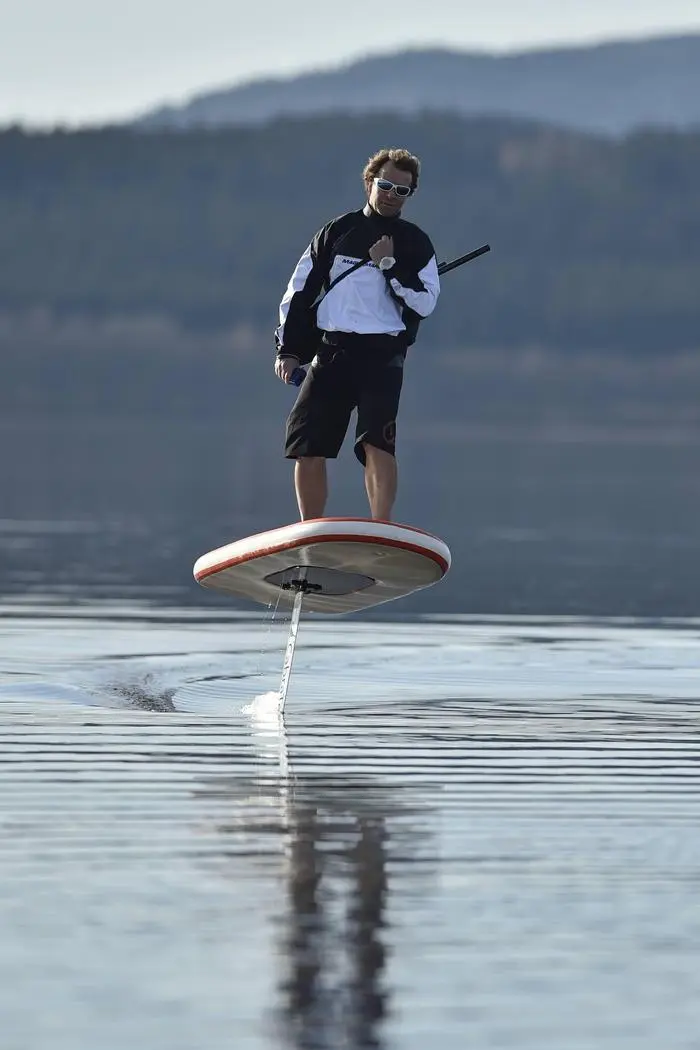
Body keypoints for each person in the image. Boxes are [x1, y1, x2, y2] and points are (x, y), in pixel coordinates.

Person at [274, 147, 440, 522]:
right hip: (331, 352)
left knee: (377, 444)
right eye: (385, 185)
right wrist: (289, 350)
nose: (391, 195)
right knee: (307, 445)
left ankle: (382, 528)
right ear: (369, 182)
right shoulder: (336, 232)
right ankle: (311, 530)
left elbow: (426, 302)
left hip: (383, 356)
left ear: (411, 195)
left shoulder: (416, 243)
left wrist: (388, 265)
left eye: (403, 191)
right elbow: (299, 292)